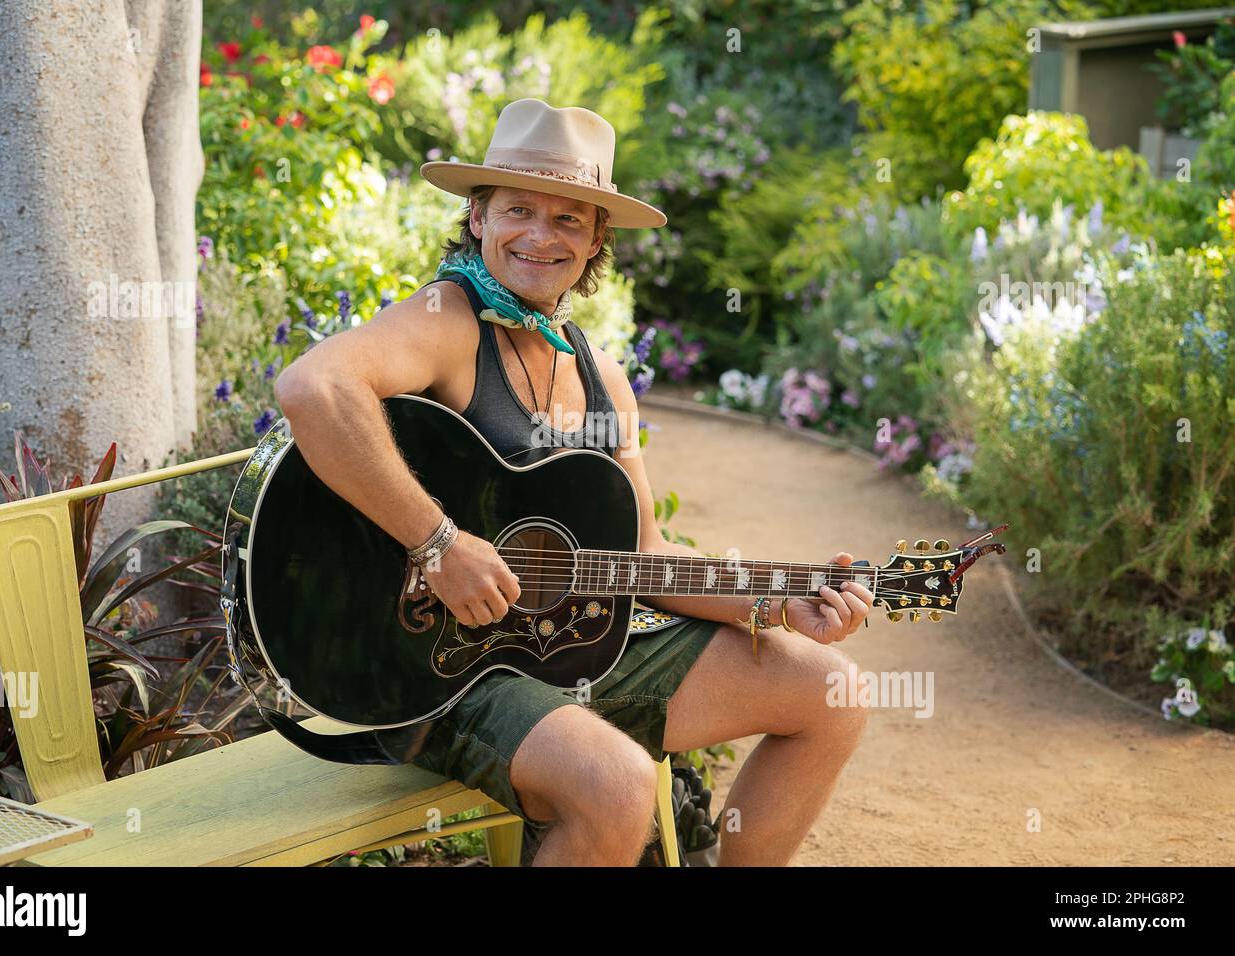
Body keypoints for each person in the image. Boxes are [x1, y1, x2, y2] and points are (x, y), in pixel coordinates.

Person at [274, 98, 875, 866]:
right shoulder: (447, 323)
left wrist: (783, 601)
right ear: (479, 216)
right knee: (618, 786)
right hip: (429, 668)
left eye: (568, 219)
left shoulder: (602, 381)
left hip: (567, 654)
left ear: (597, 240)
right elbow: (312, 388)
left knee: (834, 693)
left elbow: (647, 558)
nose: (539, 235)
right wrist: (440, 544)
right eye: (518, 209)